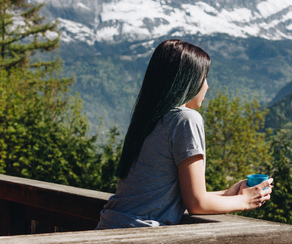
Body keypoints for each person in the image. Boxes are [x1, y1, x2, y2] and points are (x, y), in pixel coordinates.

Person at [96, 39, 273, 229]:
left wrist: (229, 194)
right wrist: (245, 201)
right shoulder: (186, 120)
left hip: (109, 229)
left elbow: (176, 196)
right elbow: (197, 204)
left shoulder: (149, 119)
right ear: (187, 81)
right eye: (204, 77)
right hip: (137, 234)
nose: (207, 86)